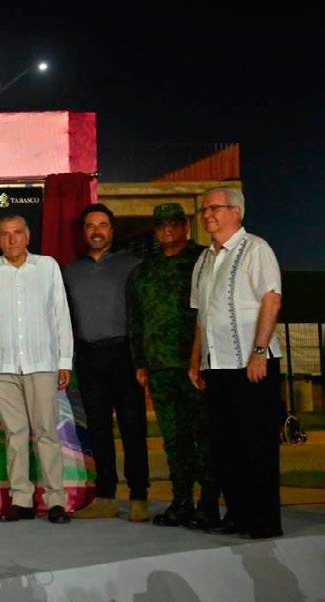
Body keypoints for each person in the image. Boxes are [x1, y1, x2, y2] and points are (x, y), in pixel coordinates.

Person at [0, 214, 74, 524]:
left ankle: (56, 500)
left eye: (18, 232)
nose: (12, 239)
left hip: (41, 363)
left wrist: (64, 360)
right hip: (1, 365)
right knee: (15, 433)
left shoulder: (47, 267)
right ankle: (21, 500)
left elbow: (61, 314)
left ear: (28, 236)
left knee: (46, 432)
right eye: (5, 234)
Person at [189, 187, 283, 539]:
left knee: (256, 443)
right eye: (204, 209)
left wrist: (259, 352)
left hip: (250, 364)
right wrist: (196, 361)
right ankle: (239, 515)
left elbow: (271, 300)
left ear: (236, 212)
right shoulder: (205, 259)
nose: (208, 214)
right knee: (225, 446)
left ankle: (264, 521)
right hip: (216, 366)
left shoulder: (255, 249)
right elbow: (202, 316)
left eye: (215, 208)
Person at [127, 203, 219, 529]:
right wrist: (141, 363)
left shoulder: (203, 261)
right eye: (161, 225)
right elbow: (136, 321)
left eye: (173, 223)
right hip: (160, 367)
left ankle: (209, 502)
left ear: (185, 226)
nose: (167, 229)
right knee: (174, 438)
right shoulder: (143, 271)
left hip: (195, 365)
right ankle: (181, 501)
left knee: (204, 436)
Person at [63, 203, 150, 522]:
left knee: (132, 426)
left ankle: (138, 496)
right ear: (83, 232)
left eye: (102, 225)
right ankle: (105, 496)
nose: (96, 231)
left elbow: (144, 315)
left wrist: (143, 359)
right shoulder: (70, 271)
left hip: (124, 354)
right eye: (90, 226)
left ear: (112, 230)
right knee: (98, 428)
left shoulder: (133, 265)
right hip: (88, 355)